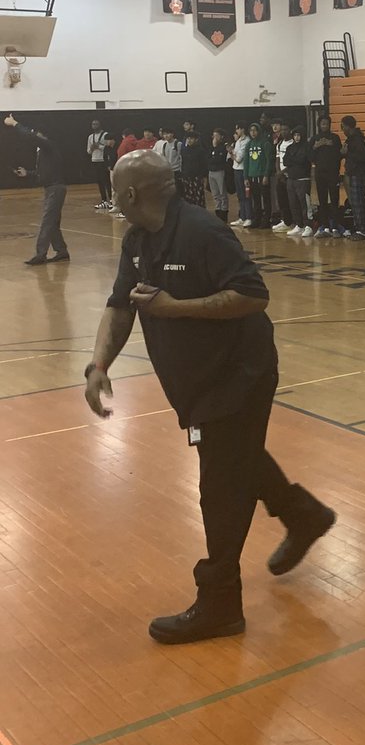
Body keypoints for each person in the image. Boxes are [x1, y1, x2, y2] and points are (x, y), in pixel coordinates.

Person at [83, 150, 336, 644]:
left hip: (240, 375)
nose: (113, 196)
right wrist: (98, 366)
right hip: (194, 382)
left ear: (130, 194)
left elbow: (253, 294)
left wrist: (176, 309)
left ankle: (220, 603)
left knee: (220, 488)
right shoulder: (137, 239)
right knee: (235, 457)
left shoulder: (202, 231)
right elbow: (120, 306)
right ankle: (304, 515)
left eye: (115, 188)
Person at [5, 114, 70, 266]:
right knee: (52, 223)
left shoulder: (48, 145)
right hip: (51, 188)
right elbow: (43, 173)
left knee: (47, 221)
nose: (35, 135)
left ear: (43, 135)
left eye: (37, 132)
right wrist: (28, 173)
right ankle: (62, 251)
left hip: (56, 189)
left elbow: (30, 136)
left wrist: (15, 123)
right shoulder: (43, 152)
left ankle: (40, 254)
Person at [340, 115, 365, 238]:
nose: (343, 130)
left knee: (358, 202)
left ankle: (362, 229)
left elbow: (363, 157)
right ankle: (361, 227)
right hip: (354, 173)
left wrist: (347, 154)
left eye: (343, 127)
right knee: (357, 202)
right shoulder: (353, 139)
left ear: (348, 126)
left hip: (358, 174)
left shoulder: (357, 140)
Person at [312, 116, 343, 237]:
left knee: (334, 200)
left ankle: (335, 226)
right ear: (319, 125)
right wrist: (315, 147)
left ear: (329, 125)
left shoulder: (335, 138)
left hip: (333, 173)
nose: (324, 125)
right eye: (322, 124)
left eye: (326, 123)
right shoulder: (314, 139)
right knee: (322, 200)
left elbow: (340, 155)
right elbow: (310, 156)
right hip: (320, 174)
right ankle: (324, 226)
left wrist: (331, 145)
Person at [283, 124, 314, 237]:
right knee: (293, 203)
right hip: (291, 179)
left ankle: (308, 225)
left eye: (298, 135)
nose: (296, 137)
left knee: (304, 203)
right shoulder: (290, 147)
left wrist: (294, 160)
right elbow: (286, 160)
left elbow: (303, 160)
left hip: (303, 179)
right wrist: (295, 160)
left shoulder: (307, 147)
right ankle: (299, 225)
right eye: (295, 135)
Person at [245, 122, 274, 228]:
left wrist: (266, 175)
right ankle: (257, 219)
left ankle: (266, 220)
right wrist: (245, 177)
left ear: (259, 131)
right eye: (251, 130)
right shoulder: (249, 144)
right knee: (255, 199)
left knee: (265, 199)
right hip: (252, 176)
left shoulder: (265, 143)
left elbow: (269, 160)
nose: (253, 133)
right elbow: (246, 162)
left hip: (262, 176)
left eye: (255, 130)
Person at [271, 121, 295, 233]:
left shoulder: (293, 144)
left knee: (291, 200)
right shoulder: (279, 144)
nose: (283, 132)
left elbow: (292, 162)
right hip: (280, 176)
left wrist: (283, 172)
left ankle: (293, 221)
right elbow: (277, 159)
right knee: (282, 200)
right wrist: (278, 172)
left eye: (286, 130)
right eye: (282, 130)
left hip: (289, 176)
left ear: (290, 131)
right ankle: (285, 221)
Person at [229, 122, 252, 228]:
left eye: (238, 129)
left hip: (243, 170)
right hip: (236, 170)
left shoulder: (246, 141)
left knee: (246, 195)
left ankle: (249, 217)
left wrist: (231, 153)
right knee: (240, 195)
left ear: (242, 129)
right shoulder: (238, 141)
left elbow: (239, 159)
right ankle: (242, 217)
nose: (236, 131)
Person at [87, 118, 112, 208]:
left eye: (96, 124)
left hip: (103, 160)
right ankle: (103, 200)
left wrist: (99, 146)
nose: (94, 126)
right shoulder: (90, 137)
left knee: (106, 181)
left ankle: (111, 200)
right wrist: (93, 148)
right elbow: (88, 151)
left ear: (100, 125)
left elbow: (109, 146)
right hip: (95, 160)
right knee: (99, 181)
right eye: (93, 124)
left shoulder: (105, 135)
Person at [208, 128, 230, 223]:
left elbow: (220, 160)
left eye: (217, 135)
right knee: (215, 194)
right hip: (211, 172)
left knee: (222, 194)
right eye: (214, 135)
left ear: (221, 137)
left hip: (220, 171)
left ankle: (224, 215)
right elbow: (208, 159)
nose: (215, 138)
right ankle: (217, 213)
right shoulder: (211, 147)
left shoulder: (224, 147)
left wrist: (215, 151)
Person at [180, 133, 207, 207]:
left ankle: (200, 213)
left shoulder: (200, 150)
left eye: (191, 138)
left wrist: (201, 176)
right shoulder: (184, 150)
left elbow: (204, 164)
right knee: (187, 197)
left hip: (197, 177)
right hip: (186, 177)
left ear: (196, 140)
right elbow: (183, 163)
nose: (189, 140)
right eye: (188, 138)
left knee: (198, 197)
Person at [154, 126, 183, 194]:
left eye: (167, 133)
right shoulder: (165, 145)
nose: (166, 136)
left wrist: (181, 171)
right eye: (164, 134)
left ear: (172, 134)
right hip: (169, 171)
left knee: (179, 191)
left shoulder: (178, 144)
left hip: (177, 171)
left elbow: (181, 158)